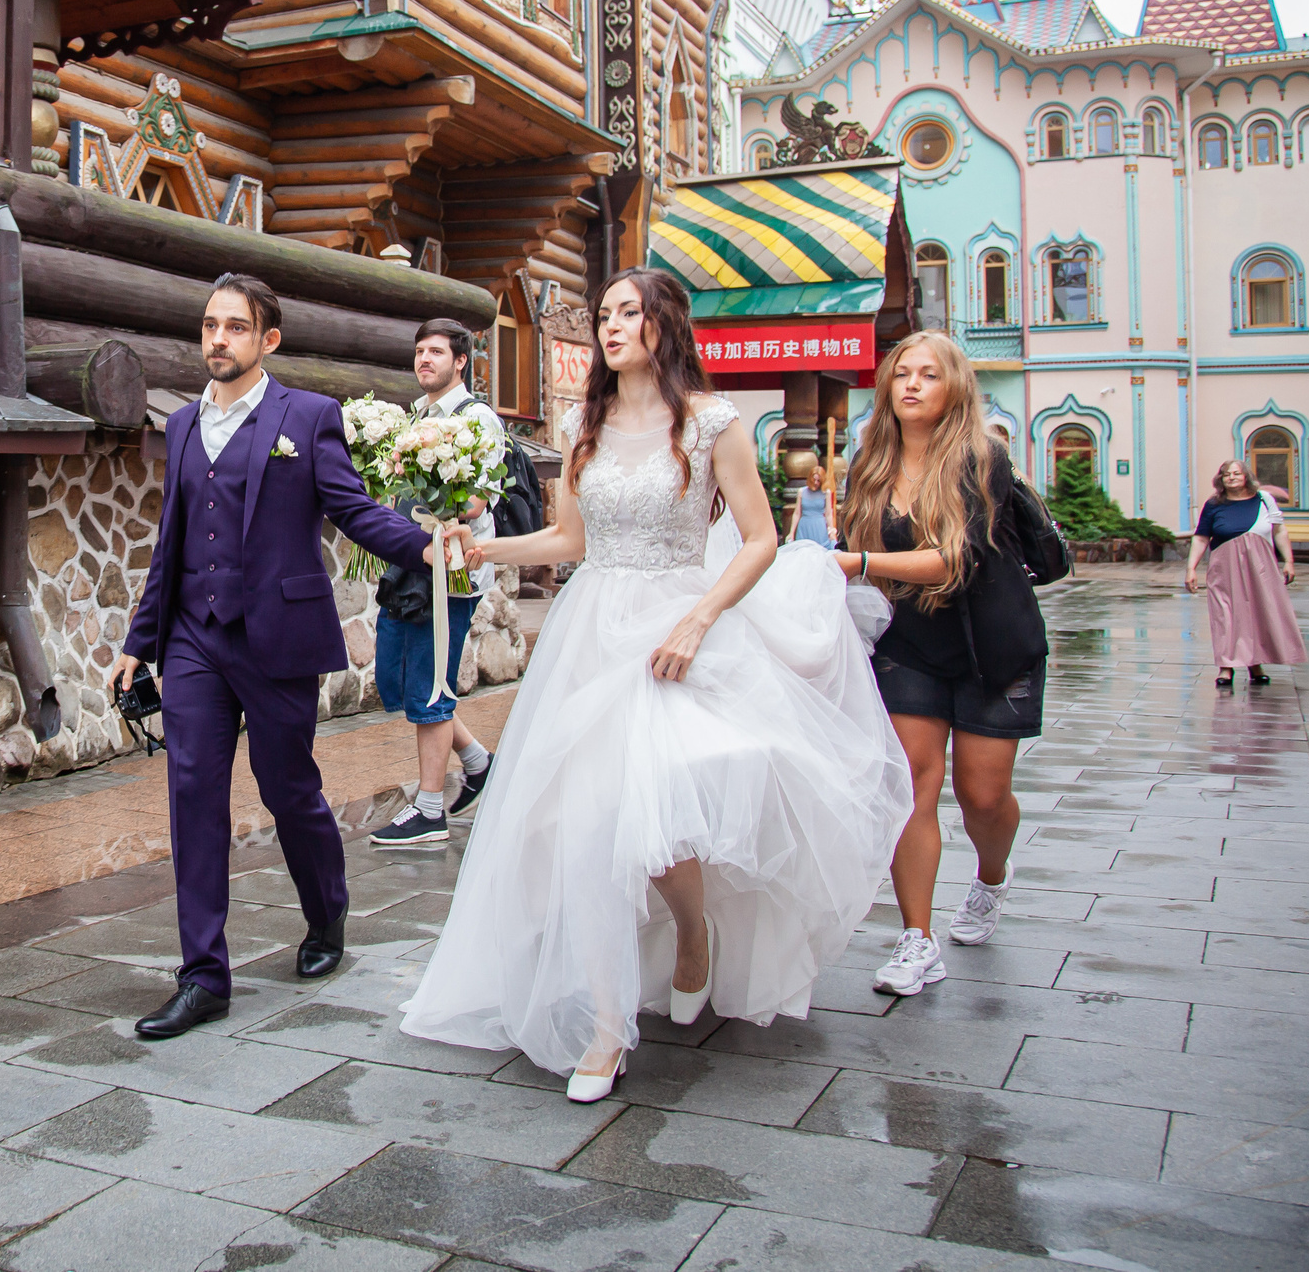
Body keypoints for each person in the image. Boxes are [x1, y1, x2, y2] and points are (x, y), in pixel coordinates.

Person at [400, 269, 910, 1101]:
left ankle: (691, 932)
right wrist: (485, 548)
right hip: (593, 632)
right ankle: (606, 1027)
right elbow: (570, 538)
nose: (610, 326)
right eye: (603, 313)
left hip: (680, 627)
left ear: (663, 323)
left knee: (664, 823)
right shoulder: (585, 423)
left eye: (627, 312)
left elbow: (760, 539)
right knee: (583, 820)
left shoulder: (711, 422)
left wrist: (700, 618)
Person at [111, 274, 439, 1040]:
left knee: (288, 786)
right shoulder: (182, 423)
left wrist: (425, 546)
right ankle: (203, 976)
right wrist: (140, 640)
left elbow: (351, 508)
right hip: (194, 636)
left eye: (234, 326)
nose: (218, 338)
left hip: (278, 634)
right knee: (193, 793)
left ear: (268, 340)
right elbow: (172, 540)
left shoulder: (308, 415)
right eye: (209, 325)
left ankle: (327, 912)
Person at [833, 331, 1049, 999]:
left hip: (993, 642)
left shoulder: (983, 458)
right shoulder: (869, 462)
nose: (913, 384)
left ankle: (991, 876)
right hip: (910, 642)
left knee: (983, 796)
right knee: (912, 787)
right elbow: (853, 546)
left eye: (929, 374)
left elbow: (956, 558)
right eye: (902, 372)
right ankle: (917, 938)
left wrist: (857, 562)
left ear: (954, 386)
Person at [367, 317, 500, 849]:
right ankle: (478, 762)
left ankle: (428, 810)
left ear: (460, 361)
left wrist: (423, 496)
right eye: (420, 351)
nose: (425, 359)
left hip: (451, 572)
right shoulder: (416, 416)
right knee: (405, 680)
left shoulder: (478, 420)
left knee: (428, 688)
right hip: (410, 562)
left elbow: (477, 501)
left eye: (437, 352)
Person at [1187, 458, 1305, 688]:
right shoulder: (1214, 504)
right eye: (1226, 474)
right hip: (1224, 568)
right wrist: (1191, 568)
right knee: (1225, 614)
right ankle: (1226, 667)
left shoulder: (1264, 499)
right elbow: (1201, 538)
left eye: (1236, 473)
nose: (1231, 477)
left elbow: (1279, 531)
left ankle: (1255, 664)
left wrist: (1289, 561)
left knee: (1257, 613)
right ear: (1220, 479)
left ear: (1246, 476)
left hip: (1260, 567)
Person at [792, 461, 836, 547]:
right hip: (804, 525)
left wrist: (831, 530)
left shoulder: (826, 493)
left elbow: (828, 514)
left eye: (818, 481)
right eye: (814, 480)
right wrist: (791, 532)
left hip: (819, 526)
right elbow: (797, 513)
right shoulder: (802, 491)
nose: (816, 483)